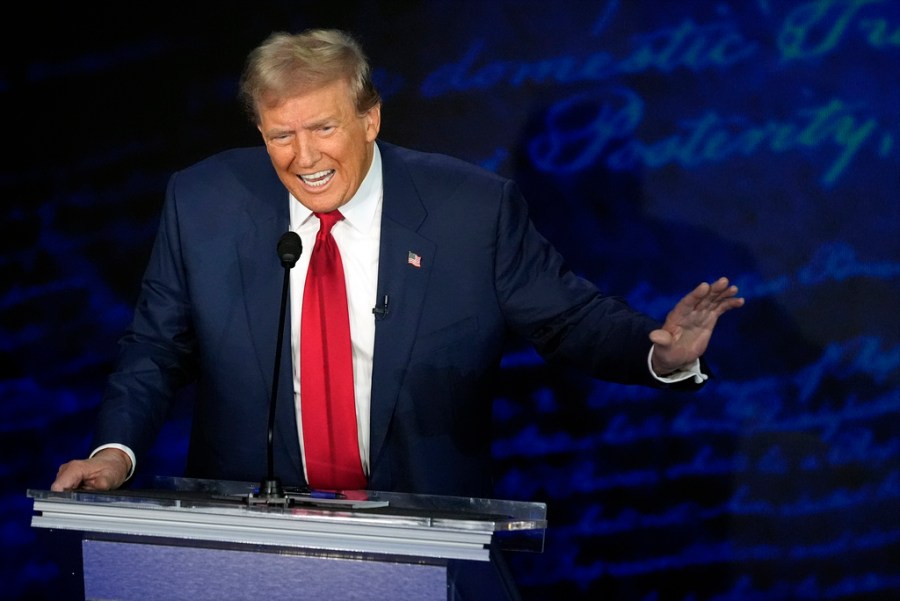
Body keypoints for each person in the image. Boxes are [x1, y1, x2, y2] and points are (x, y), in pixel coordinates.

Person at [51, 28, 743, 498]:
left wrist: (659, 353)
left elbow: (569, 319)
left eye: (324, 127)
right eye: (281, 135)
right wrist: (117, 451)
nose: (305, 157)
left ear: (370, 119)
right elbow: (153, 349)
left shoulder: (470, 209)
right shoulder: (203, 202)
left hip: (417, 522)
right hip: (247, 532)